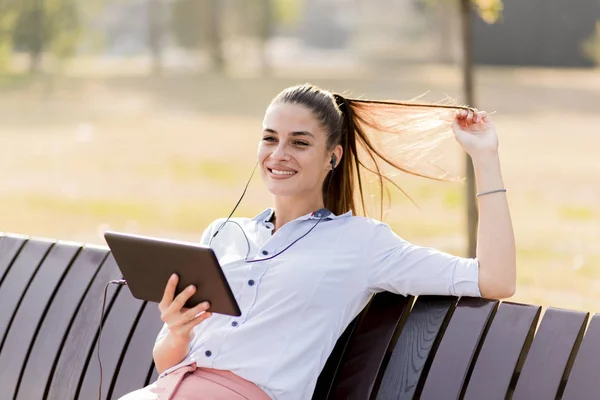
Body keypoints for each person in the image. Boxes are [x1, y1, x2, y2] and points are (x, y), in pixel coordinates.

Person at [120, 83, 515, 400]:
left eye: (299, 142)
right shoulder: (222, 234)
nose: (278, 154)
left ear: (333, 157)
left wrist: (484, 156)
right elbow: (166, 361)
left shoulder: (362, 244)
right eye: (269, 138)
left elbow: (495, 279)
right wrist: (177, 329)